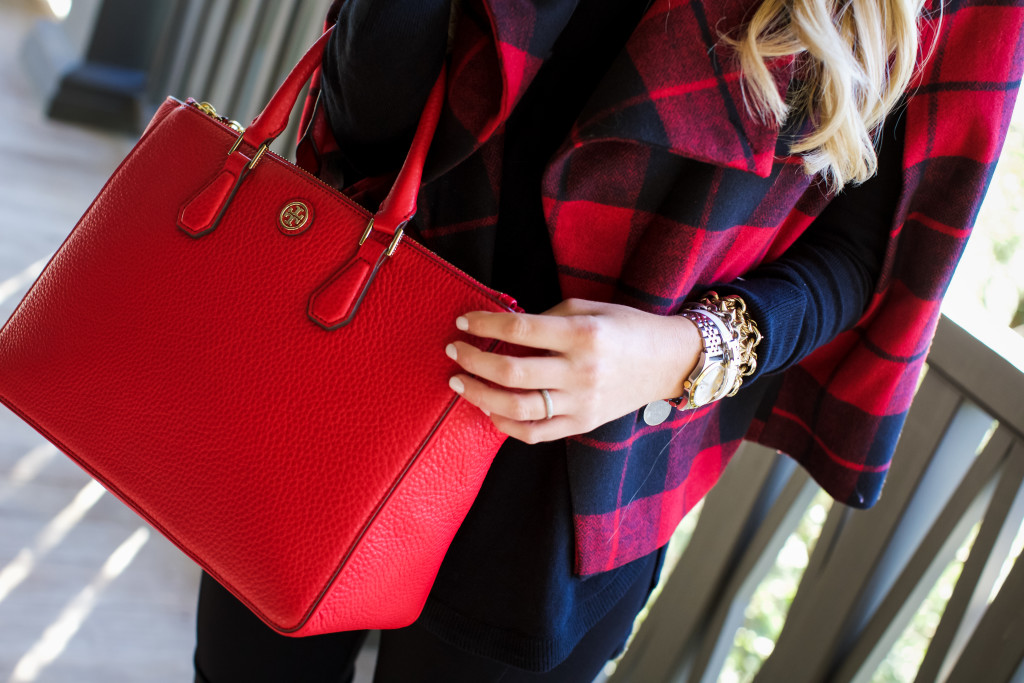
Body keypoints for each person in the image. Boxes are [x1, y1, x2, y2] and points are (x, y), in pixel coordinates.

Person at [193, 0, 1023, 681]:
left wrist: (684, 351)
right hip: (353, 362)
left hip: (577, 484)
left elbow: (865, 257)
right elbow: (362, 126)